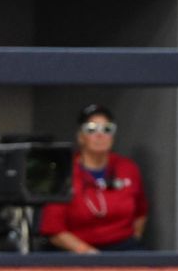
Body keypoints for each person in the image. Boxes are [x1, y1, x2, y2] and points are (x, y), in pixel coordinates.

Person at [39, 104, 148, 252]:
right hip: (76, 251)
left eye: (107, 129)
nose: (100, 135)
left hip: (123, 247)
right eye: (91, 129)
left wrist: (134, 238)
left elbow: (141, 212)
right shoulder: (64, 172)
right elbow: (54, 229)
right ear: (80, 137)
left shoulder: (128, 168)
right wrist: (89, 254)